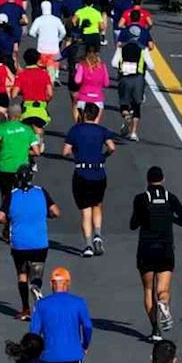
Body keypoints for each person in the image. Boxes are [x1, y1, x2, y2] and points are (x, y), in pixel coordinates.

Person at [130, 167, 182, 341]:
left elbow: (133, 224)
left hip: (146, 249)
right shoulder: (170, 198)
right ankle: (163, 303)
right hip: (165, 249)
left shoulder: (141, 199)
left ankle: (155, 329)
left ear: (147, 180)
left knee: (148, 289)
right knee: (163, 289)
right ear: (163, 179)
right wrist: (171, 218)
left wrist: (144, 219)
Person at [0, 165, 60, 320]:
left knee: (22, 273)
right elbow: (56, 212)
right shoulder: (41, 191)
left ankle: (25, 309)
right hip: (39, 243)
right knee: (37, 272)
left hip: (19, 243)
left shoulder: (12, 195)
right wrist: (46, 215)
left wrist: (9, 220)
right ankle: (36, 287)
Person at [62, 103, 116, 258]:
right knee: (97, 204)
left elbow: (65, 152)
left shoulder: (75, 130)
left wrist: (77, 153)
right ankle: (98, 234)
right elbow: (112, 147)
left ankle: (88, 245)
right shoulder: (102, 130)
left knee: (85, 210)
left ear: (84, 114)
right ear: (97, 115)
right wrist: (103, 156)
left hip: (82, 172)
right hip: (99, 172)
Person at [0, 106, 43, 208]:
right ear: (20, 115)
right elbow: (37, 152)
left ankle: (6, 212)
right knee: (21, 193)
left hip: (5, 166)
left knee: (6, 195)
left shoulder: (1, 128)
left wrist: (0, 154)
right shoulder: (27, 129)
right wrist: (25, 151)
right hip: (22, 169)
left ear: (7, 115)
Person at [112, 39, 150, 141]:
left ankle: (126, 116)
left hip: (124, 79)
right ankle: (133, 133)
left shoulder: (121, 48)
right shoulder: (143, 49)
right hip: (138, 79)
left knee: (124, 103)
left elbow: (114, 63)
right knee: (136, 106)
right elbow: (151, 65)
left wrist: (123, 65)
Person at [12, 47, 54, 138]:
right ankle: (40, 142)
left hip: (26, 108)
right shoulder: (44, 74)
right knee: (38, 127)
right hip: (41, 108)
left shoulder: (21, 75)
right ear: (38, 60)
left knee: (26, 129)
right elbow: (50, 93)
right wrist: (46, 100)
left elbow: (14, 94)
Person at [27, 0, 65, 83]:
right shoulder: (56, 19)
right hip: (54, 48)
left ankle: (42, 78)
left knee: (41, 64)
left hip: (42, 47)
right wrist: (58, 39)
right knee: (55, 62)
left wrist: (38, 35)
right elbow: (63, 32)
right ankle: (56, 76)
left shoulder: (39, 20)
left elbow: (31, 32)